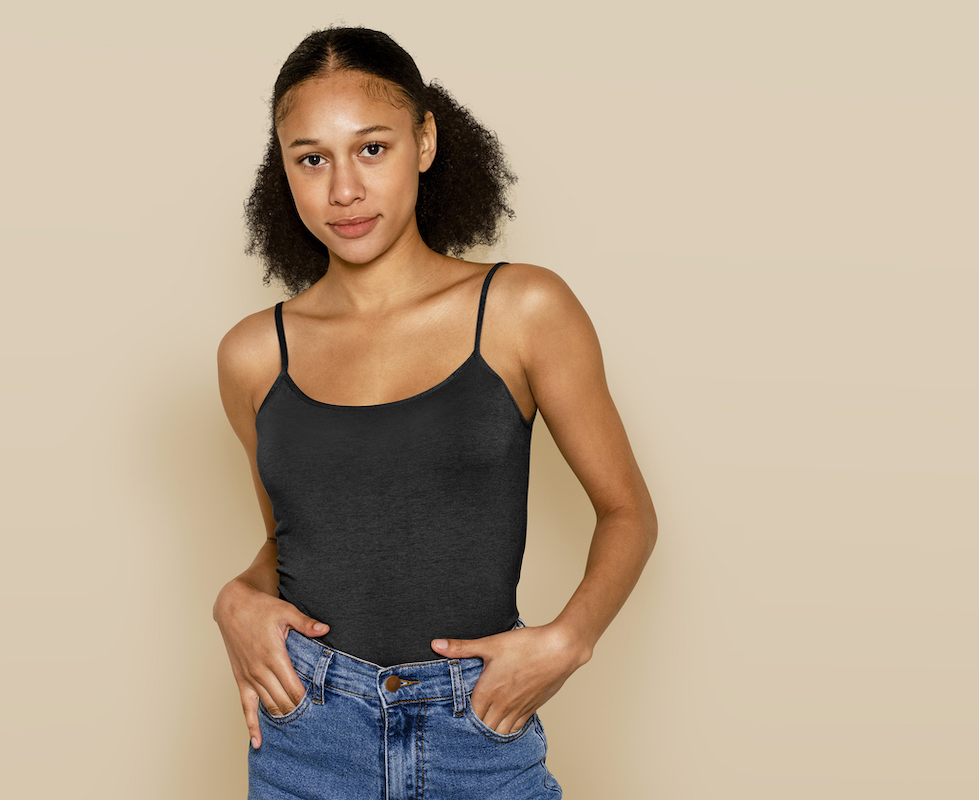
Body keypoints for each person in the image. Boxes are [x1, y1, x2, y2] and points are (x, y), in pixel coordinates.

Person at [214, 25, 657, 799]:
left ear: (424, 140)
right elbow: (293, 541)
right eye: (311, 158)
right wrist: (237, 600)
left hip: (477, 734)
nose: (343, 189)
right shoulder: (255, 355)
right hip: (307, 737)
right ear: (282, 170)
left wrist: (568, 640)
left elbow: (627, 511)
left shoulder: (522, 309)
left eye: (372, 149)